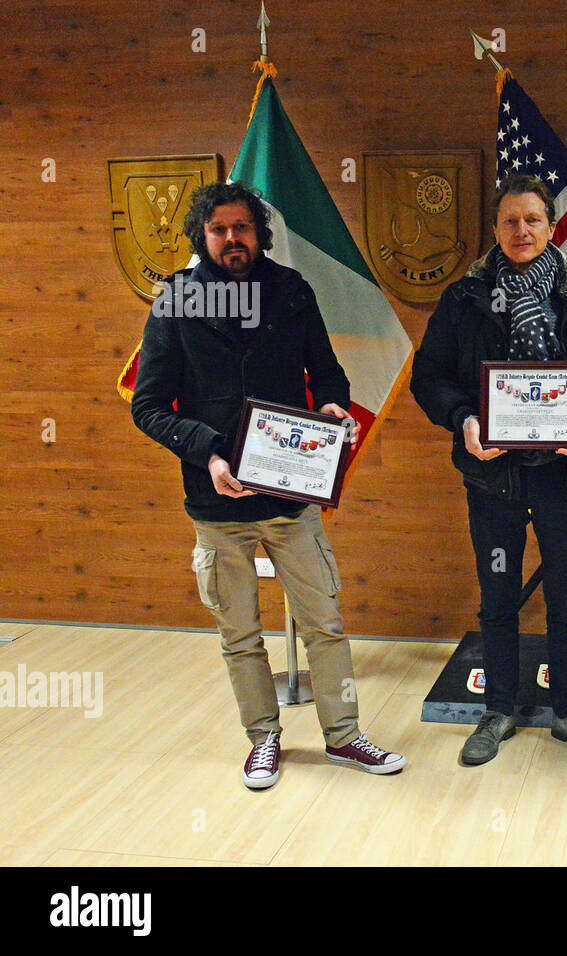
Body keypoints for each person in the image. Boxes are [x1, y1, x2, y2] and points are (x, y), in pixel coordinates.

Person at [132, 181, 406, 791]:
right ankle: (263, 740)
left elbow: (327, 373)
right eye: (219, 230)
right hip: (216, 497)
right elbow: (148, 406)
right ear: (201, 238)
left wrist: (334, 407)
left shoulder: (290, 290)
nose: (232, 239)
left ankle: (344, 735)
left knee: (325, 624)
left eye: (242, 228)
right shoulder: (175, 301)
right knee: (239, 633)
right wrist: (207, 453)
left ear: (259, 232)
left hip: (289, 492)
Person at [410, 174, 567, 767]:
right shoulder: (465, 298)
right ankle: (499, 710)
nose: (521, 231)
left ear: (551, 225)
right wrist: (462, 418)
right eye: (510, 221)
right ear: (495, 229)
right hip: (494, 476)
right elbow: (429, 375)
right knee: (497, 595)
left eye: (532, 220)